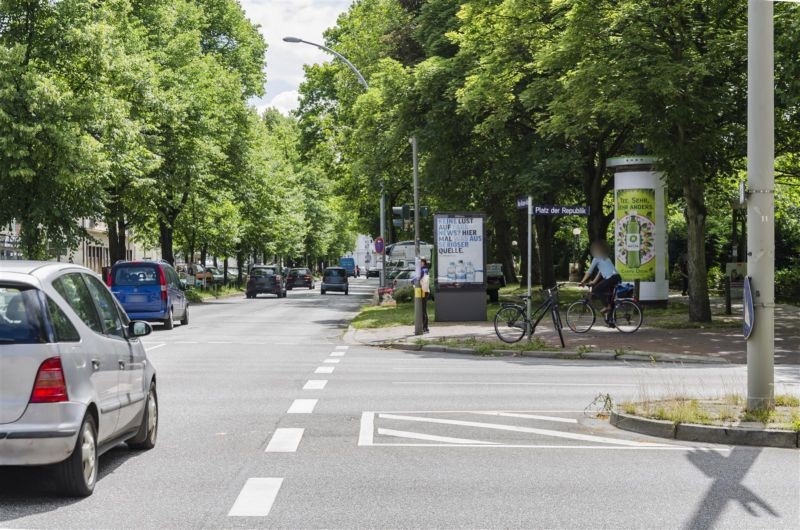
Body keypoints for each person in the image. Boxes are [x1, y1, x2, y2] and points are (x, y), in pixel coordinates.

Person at [579, 241, 621, 317]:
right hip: (616, 277)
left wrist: (582, 281)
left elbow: (589, 272)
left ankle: (606, 307)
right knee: (610, 299)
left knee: (596, 290)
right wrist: (594, 281)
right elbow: (601, 272)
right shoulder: (605, 257)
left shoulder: (596, 258)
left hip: (611, 278)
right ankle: (611, 321)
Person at [419, 259, 430, 333]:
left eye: (421, 262)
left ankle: (425, 328)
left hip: (424, 291)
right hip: (422, 291)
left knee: (423, 310)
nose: (420, 263)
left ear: (424, 263)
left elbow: (419, 277)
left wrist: (413, 280)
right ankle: (424, 327)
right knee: (422, 309)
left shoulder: (424, 269)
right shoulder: (422, 269)